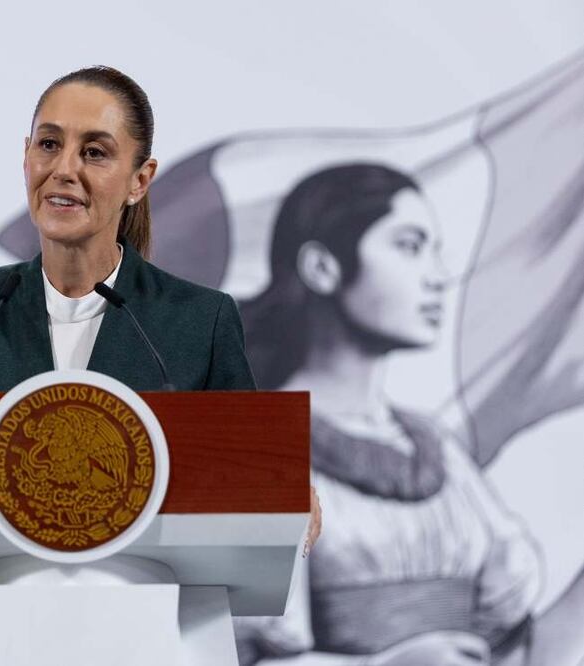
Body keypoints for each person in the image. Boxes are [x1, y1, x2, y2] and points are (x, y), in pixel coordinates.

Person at [0, 65, 321, 563]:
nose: (64, 169)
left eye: (94, 152)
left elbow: (246, 482)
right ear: (26, 156)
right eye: (48, 144)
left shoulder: (199, 320)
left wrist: (285, 498)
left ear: (139, 181)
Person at [233, 163, 584, 665]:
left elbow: (523, 655)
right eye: (410, 246)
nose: (440, 277)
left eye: (436, 252)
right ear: (322, 268)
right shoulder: (248, 448)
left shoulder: (437, 449)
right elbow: (221, 655)